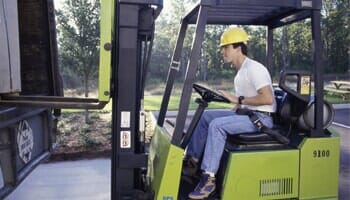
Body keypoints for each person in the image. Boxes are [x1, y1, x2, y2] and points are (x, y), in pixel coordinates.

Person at [183, 27, 277, 199]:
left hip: (261, 119)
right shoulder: (240, 73)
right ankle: (191, 163)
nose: (222, 51)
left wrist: (238, 100)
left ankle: (208, 179)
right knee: (205, 117)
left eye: (225, 47)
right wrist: (233, 105)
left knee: (217, 125)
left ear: (238, 47)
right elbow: (241, 103)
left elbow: (268, 98)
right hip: (247, 114)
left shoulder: (254, 68)